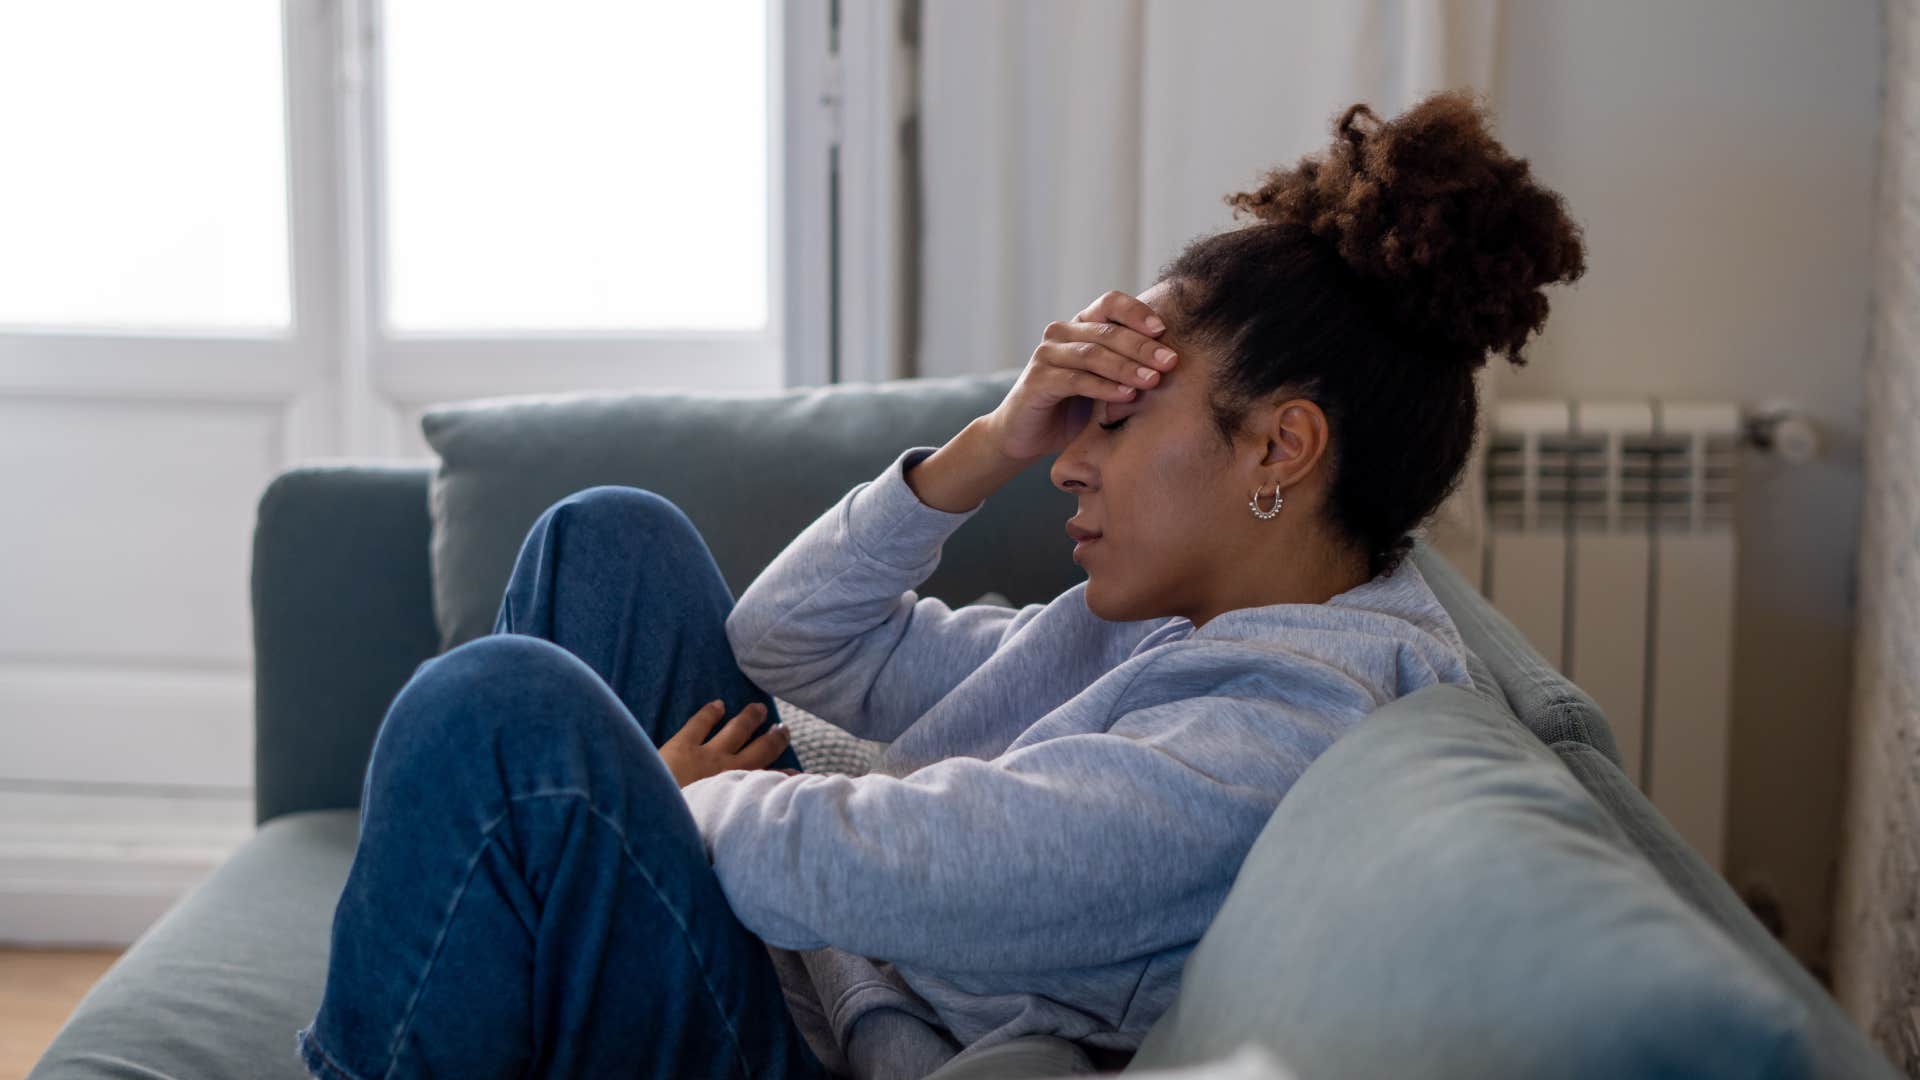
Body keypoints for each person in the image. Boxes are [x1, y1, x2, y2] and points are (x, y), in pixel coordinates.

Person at [295, 88, 1586, 1080]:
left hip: (819, 1044)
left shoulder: (1286, 717)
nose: (1068, 461)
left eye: (1114, 423)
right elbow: (788, 641)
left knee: (501, 711)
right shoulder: (1168, 625)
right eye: (1072, 419)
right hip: (805, 959)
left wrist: (661, 804)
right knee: (607, 537)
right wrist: (991, 440)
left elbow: (917, 864)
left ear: (1279, 447)